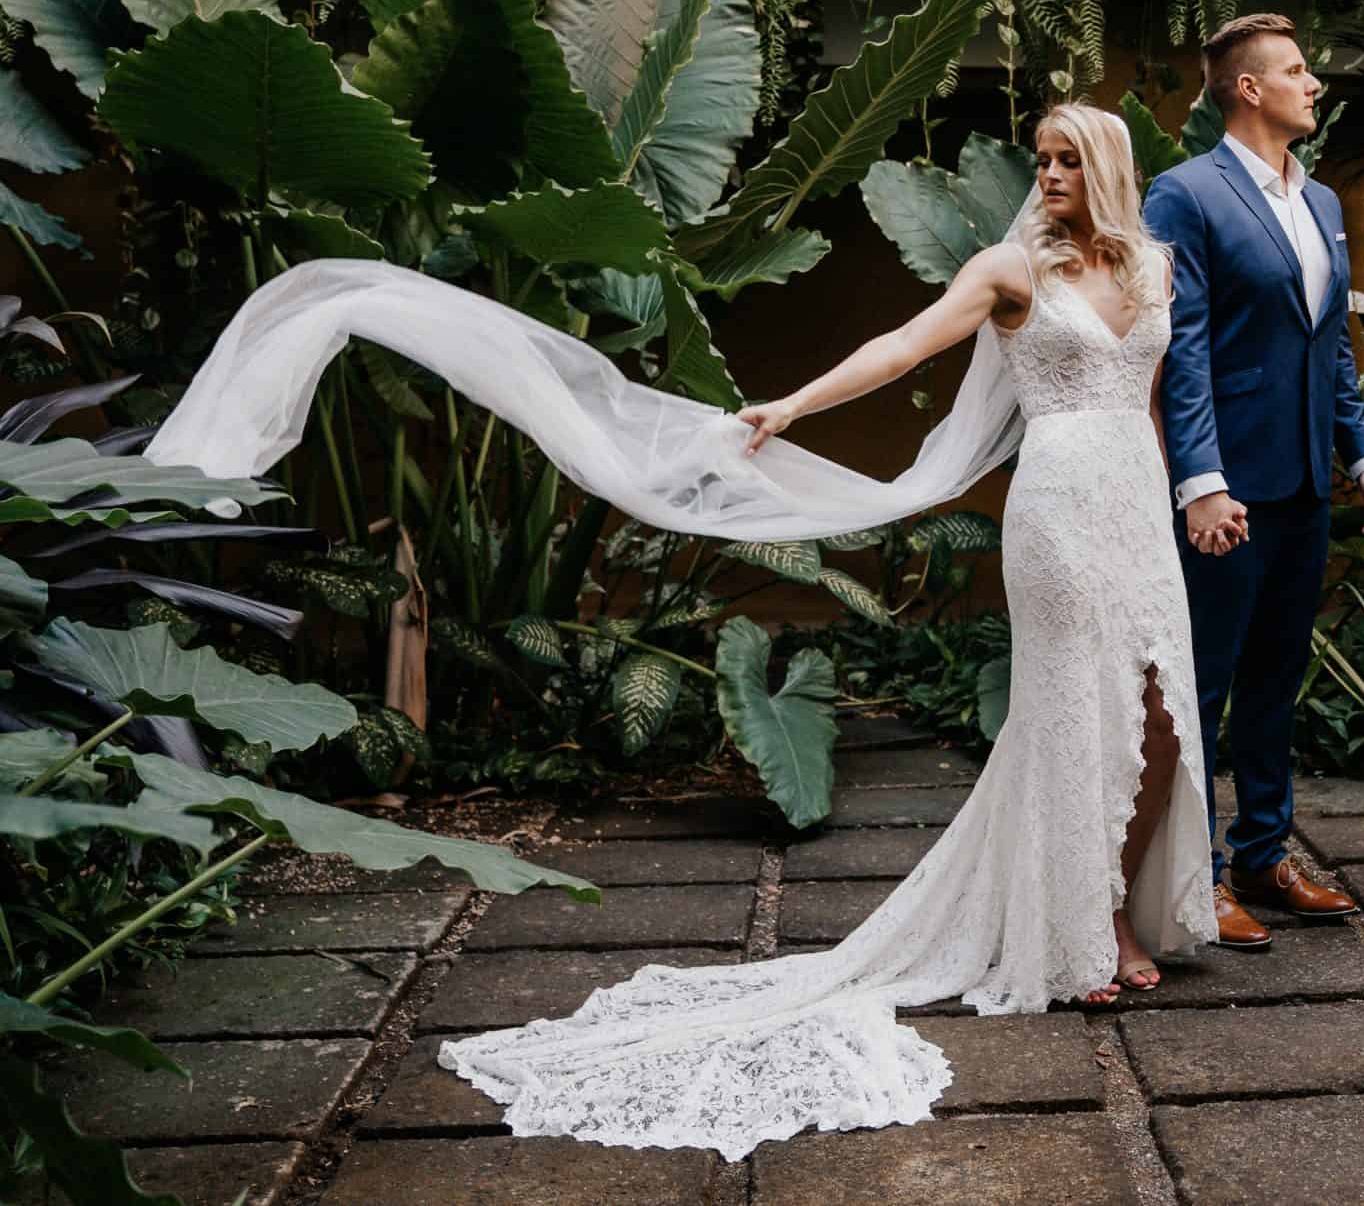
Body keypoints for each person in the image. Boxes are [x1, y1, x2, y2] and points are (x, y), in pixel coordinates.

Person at [144, 103, 1214, 1159]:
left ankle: (1115, 895)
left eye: (1067, 160)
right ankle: (1092, 926)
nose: (1048, 176)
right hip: (1054, 512)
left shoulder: (1155, 269)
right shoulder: (1009, 270)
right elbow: (898, 346)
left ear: (1108, 166)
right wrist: (792, 405)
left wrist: (1190, 491)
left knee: (1161, 715)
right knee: (1072, 710)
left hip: (1135, 501)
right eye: (1041, 158)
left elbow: (1159, 399)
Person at [1145, 13, 1364, 952]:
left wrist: (1362, 452)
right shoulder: (1185, 194)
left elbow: (1331, 344)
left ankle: (1262, 853)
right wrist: (1201, 480)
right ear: (1249, 89)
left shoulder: (1322, 200)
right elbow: (1182, 349)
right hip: (1228, 488)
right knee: (1205, 682)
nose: (1313, 83)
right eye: (1297, 71)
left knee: (1276, 679)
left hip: (1304, 483)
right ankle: (1196, 876)